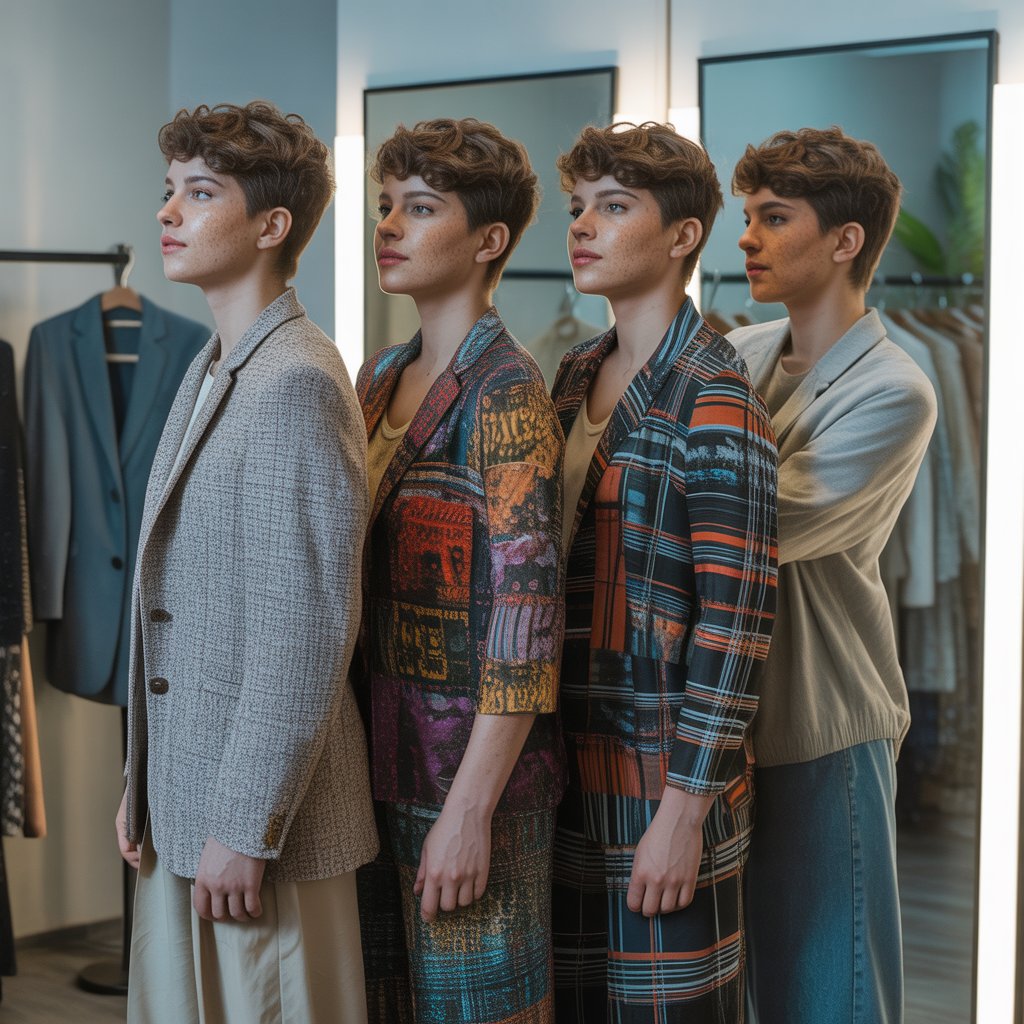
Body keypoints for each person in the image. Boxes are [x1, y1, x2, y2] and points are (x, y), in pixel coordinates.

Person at [115, 100, 378, 1023]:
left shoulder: (297, 379)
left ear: (271, 225)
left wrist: (245, 825)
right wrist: (138, 785)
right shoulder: (212, 366)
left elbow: (304, 631)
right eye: (169, 192)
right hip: (185, 809)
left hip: (263, 832)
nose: (167, 214)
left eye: (199, 193)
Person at [550, 122, 778, 1023]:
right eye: (577, 209)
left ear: (682, 235)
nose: (583, 227)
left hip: (662, 784)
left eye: (613, 207)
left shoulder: (714, 392)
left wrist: (686, 811)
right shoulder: (572, 376)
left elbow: (737, 621)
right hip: (567, 769)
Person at [354, 117, 565, 1023]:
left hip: (469, 781)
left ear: (489, 241)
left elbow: (526, 629)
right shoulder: (374, 379)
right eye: (386, 206)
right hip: (371, 762)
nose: (390, 226)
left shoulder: (507, 395)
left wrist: (471, 810)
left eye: (421, 208)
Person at [728, 126, 938, 1024]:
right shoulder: (737, 351)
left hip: (822, 724)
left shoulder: (896, 389)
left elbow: (754, 525)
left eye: (774, 218)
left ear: (846, 240)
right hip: (723, 723)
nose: (746, 238)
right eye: (747, 217)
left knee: (834, 992)